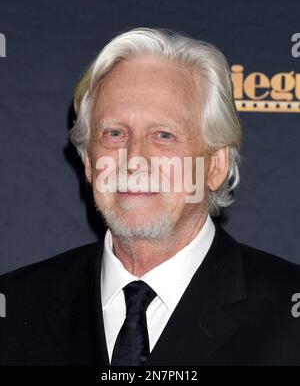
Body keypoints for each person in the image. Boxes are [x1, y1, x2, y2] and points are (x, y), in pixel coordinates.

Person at [1, 27, 300, 366]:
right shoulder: (14, 308)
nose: (134, 160)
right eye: (114, 134)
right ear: (88, 162)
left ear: (215, 165)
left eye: (164, 135)